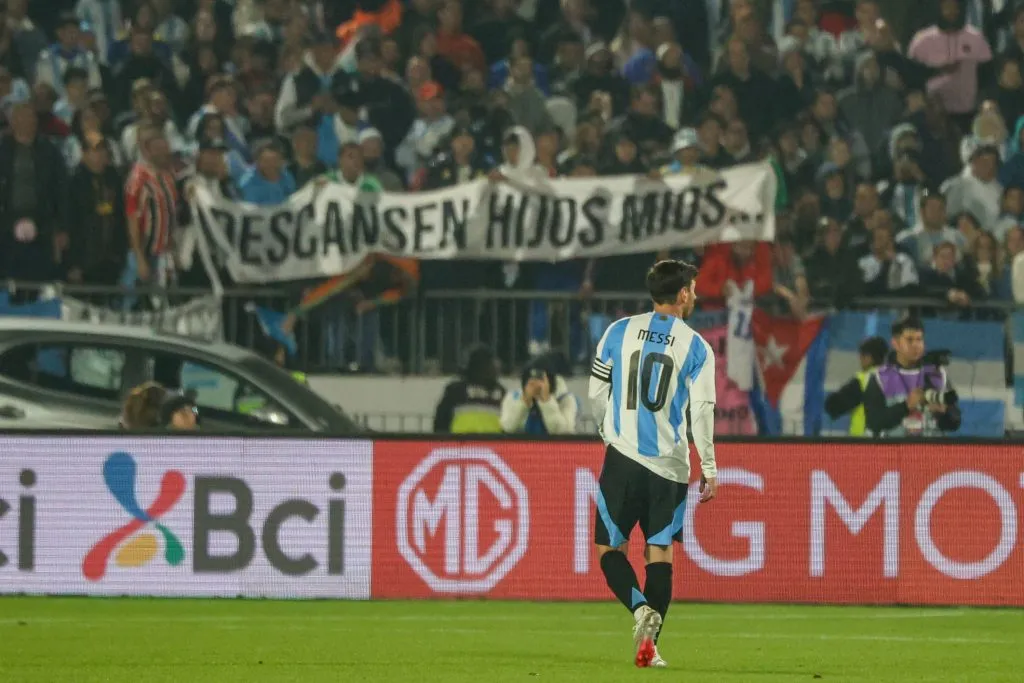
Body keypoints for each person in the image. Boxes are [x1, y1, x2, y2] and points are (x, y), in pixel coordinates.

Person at [588, 259, 717, 670]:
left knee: (610, 548)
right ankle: (651, 646)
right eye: (692, 290)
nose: (694, 296)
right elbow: (702, 410)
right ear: (681, 295)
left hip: (623, 456)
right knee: (659, 553)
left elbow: (596, 392)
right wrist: (709, 465)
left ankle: (639, 608)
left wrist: (608, 432)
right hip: (670, 465)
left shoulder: (617, 331)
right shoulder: (697, 346)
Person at [863, 316, 962, 437]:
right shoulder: (879, 378)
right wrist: (906, 406)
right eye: (909, 340)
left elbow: (955, 423)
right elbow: (873, 422)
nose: (915, 345)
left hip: (931, 453)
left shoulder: (938, 374)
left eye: (919, 339)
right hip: (893, 453)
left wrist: (943, 413)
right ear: (895, 343)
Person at [824, 336, 889, 436]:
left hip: (863, 444)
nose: (860, 360)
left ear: (868, 358)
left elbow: (833, 405)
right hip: (892, 446)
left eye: (861, 356)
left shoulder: (863, 381)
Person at [433, 345, 505, 433]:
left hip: (495, 446)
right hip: (461, 445)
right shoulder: (456, 391)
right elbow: (441, 424)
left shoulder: (502, 393)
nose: (497, 367)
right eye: (491, 363)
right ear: (479, 367)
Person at [499, 364, 577, 435]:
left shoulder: (566, 400)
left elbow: (565, 434)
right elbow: (507, 427)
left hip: (555, 449)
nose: (536, 386)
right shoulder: (513, 397)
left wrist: (546, 401)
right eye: (532, 383)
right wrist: (524, 402)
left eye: (541, 380)